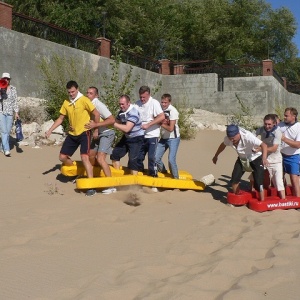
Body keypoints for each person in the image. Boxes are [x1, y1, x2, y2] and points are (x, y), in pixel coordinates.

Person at [45, 80, 100, 197]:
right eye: (69, 92)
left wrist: (95, 128)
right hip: (72, 134)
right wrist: (50, 130)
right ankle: (75, 171)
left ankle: (91, 186)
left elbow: (96, 113)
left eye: (73, 92)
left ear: (77, 89)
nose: (71, 94)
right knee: (62, 157)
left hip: (84, 132)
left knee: (84, 157)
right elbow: (60, 118)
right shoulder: (66, 102)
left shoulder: (84, 100)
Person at [212, 124, 268, 201]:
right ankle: (237, 197)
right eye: (230, 138)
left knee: (258, 183)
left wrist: (264, 158)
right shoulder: (228, 139)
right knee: (234, 179)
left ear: (238, 134)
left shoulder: (248, 136)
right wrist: (216, 156)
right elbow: (223, 145)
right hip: (243, 159)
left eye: (233, 138)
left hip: (255, 158)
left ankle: (262, 201)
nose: (232, 140)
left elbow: (264, 145)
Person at [84, 86, 116, 195]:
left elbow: (112, 120)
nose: (88, 95)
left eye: (91, 93)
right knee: (90, 156)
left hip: (107, 133)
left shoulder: (99, 105)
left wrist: (96, 126)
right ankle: (95, 176)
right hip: (97, 134)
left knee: (101, 158)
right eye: (87, 93)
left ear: (96, 95)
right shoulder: (88, 104)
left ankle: (111, 185)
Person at [134, 86, 165, 176]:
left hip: (152, 135)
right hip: (140, 135)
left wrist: (148, 125)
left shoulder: (154, 103)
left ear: (149, 95)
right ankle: (140, 173)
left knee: (152, 157)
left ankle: (153, 175)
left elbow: (161, 116)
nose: (142, 99)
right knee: (138, 157)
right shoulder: (137, 104)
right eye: (141, 97)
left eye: (144, 97)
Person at [110, 94, 144, 175]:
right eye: (120, 104)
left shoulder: (133, 113)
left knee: (133, 160)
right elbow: (116, 121)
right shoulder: (121, 112)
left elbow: (127, 128)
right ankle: (117, 175)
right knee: (115, 154)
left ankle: (134, 183)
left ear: (129, 103)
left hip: (136, 138)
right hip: (126, 137)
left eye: (123, 104)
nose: (121, 106)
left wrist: (113, 124)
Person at [254, 114, 285, 199]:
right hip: (264, 157)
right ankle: (253, 194)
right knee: (255, 176)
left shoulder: (277, 132)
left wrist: (260, 149)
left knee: (278, 181)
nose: (267, 126)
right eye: (265, 124)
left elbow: (274, 148)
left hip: (276, 158)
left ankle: (283, 199)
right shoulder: (261, 129)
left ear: (274, 123)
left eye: (269, 124)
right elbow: (252, 136)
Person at [155, 93, 180, 178]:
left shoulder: (173, 111)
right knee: (155, 157)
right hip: (163, 137)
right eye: (162, 102)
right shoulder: (159, 109)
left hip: (173, 138)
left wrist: (160, 123)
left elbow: (170, 128)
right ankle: (163, 172)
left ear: (170, 102)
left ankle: (176, 178)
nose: (163, 104)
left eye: (165, 102)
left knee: (171, 160)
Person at [278, 107, 300, 197]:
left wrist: (284, 139)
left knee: (294, 178)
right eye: (284, 115)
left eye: (286, 115)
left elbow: (298, 145)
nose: (284, 117)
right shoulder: (280, 125)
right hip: (281, 154)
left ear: (293, 116)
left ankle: (298, 200)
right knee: (279, 177)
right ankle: (284, 196)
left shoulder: (298, 127)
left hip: (294, 156)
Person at [0, 72, 19, 156]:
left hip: (10, 112)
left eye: (7, 79)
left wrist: (16, 112)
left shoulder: (13, 89)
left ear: (9, 80)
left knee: (7, 131)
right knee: (4, 131)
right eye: (4, 78)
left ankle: (2, 146)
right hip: (1, 112)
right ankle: (7, 149)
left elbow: (15, 101)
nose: (6, 80)